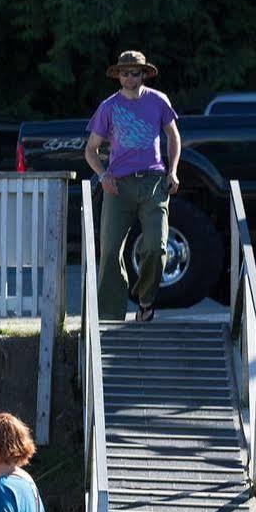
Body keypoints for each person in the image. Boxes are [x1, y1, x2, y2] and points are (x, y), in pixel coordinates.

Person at [86, 49, 182, 323]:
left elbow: (173, 137)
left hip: (154, 182)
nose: (130, 77)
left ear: (144, 74)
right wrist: (103, 175)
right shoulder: (108, 107)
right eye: (125, 73)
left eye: (136, 72)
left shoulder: (158, 101)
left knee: (156, 247)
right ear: (118, 76)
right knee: (110, 251)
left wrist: (173, 171)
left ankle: (145, 300)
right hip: (119, 186)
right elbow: (91, 150)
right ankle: (109, 316)